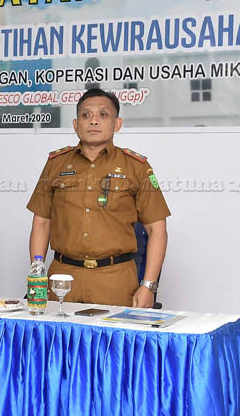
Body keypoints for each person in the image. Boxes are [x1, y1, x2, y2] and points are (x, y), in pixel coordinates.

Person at [27, 88, 170, 307]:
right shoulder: (56, 164)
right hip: (62, 279)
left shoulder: (136, 167)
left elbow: (157, 229)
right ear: (76, 124)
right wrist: (37, 276)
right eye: (86, 115)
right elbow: (41, 223)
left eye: (103, 115)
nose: (93, 121)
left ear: (117, 124)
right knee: (56, 330)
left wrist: (148, 285)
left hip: (115, 280)